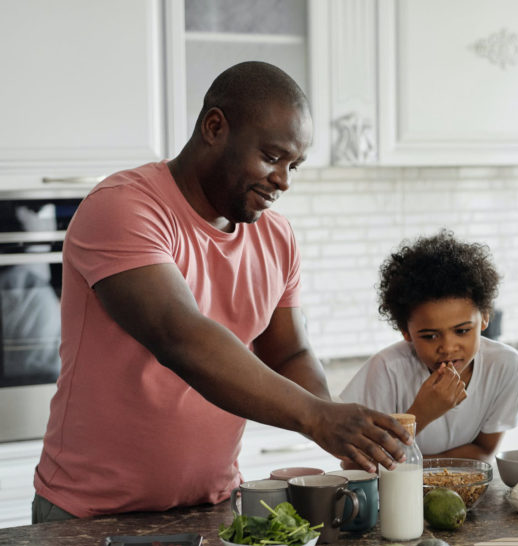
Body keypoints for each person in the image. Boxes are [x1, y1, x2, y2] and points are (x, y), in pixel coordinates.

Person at [32, 61, 410, 522]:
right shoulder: (123, 208)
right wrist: (316, 417)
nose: (284, 180)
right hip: (91, 515)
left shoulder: (276, 236)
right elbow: (180, 337)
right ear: (214, 127)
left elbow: (289, 352)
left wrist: (336, 427)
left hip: (212, 507)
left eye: (295, 165)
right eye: (272, 157)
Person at [340, 230, 518, 460]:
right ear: (405, 331)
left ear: (485, 317)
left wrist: (421, 470)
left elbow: (484, 451)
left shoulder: (506, 365)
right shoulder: (387, 370)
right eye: (429, 336)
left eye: (462, 331)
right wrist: (420, 414)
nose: (448, 347)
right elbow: (353, 463)